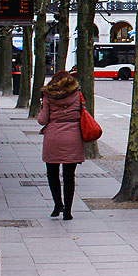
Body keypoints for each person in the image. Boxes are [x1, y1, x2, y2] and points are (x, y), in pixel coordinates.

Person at [38, 70, 86, 220]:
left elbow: (42, 119)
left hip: (53, 137)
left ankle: (57, 204)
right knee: (69, 176)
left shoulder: (48, 96)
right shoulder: (77, 94)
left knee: (52, 173)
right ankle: (68, 211)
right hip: (73, 136)